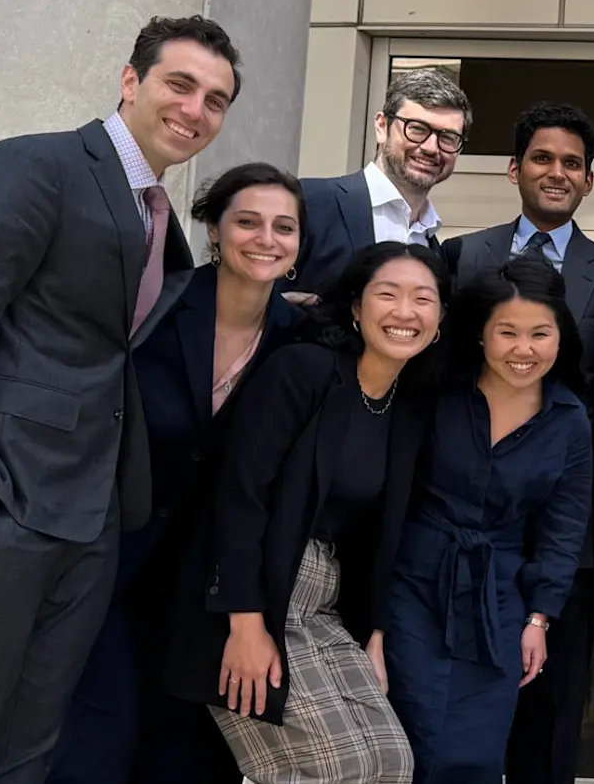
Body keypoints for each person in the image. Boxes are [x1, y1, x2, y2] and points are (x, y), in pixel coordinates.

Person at [0, 15, 241, 783]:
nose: (195, 110)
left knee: (33, 741)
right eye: (181, 84)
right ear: (131, 80)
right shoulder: (37, 166)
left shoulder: (159, 220)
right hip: (1, 505)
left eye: (216, 99)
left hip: (91, 514)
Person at [48, 163, 308, 784]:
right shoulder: (156, 304)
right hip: (112, 562)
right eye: (247, 221)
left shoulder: (304, 339)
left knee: (188, 760)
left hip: (213, 586)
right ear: (215, 229)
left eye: (284, 226)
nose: (265, 238)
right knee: (97, 745)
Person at [161, 242, 450, 784]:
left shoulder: (408, 405)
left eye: (423, 299)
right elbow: (238, 494)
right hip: (252, 595)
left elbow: (378, 538)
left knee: (391, 762)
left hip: (325, 603)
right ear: (357, 308)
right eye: (387, 295)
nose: (405, 312)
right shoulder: (303, 371)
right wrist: (245, 625)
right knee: (330, 767)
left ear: (439, 320)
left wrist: (375, 633)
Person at [439, 101, 594, 784]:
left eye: (572, 163)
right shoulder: (460, 258)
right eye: (543, 158)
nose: (557, 172)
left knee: (549, 713)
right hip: (461, 530)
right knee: (458, 709)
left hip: (562, 535)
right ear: (514, 169)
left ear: (589, 181)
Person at [384, 257, 594, 783]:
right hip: (413, 586)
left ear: (560, 337)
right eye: (508, 332)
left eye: (540, 334)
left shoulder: (570, 419)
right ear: (481, 334)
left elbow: (563, 529)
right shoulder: (435, 389)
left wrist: (538, 619)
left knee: (475, 752)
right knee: (405, 740)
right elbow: (391, 498)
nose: (524, 350)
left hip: (499, 600)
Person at [288, 68, 472, 297]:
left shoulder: (439, 250)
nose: (430, 148)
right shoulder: (309, 202)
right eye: (417, 129)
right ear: (381, 127)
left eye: (447, 137)